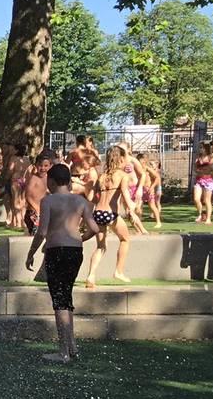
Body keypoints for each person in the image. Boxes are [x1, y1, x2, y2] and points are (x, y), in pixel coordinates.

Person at [25, 164, 100, 363]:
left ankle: (63, 352)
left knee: (59, 302)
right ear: (68, 181)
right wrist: (79, 239)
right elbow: (94, 229)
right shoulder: (80, 200)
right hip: (75, 252)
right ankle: (72, 345)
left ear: (50, 181)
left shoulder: (48, 200)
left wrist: (31, 253)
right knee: (66, 298)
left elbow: (41, 232)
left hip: (55, 251)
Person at [84, 146, 136, 288]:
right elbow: (125, 196)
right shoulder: (122, 176)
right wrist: (133, 207)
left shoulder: (101, 176)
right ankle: (119, 271)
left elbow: (91, 197)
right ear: (121, 159)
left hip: (98, 213)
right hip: (110, 214)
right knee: (125, 240)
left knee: (101, 247)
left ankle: (91, 275)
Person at [23, 152, 54, 236]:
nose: (43, 168)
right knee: (36, 235)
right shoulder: (33, 178)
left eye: (46, 166)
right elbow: (27, 195)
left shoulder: (49, 179)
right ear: (36, 165)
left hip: (44, 212)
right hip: (33, 212)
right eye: (40, 165)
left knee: (46, 234)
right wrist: (36, 209)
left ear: (51, 166)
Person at [193, 141, 213, 225]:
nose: (200, 149)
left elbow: (210, 169)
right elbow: (195, 169)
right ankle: (200, 214)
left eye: (202, 147)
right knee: (196, 199)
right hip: (199, 180)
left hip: (208, 181)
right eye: (200, 147)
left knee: (206, 200)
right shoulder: (198, 158)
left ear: (206, 148)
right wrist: (198, 170)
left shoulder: (211, 157)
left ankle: (208, 218)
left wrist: (202, 169)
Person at [142, 154, 163, 229]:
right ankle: (139, 222)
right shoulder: (142, 169)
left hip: (153, 189)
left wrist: (153, 188)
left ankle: (158, 219)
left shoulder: (151, 170)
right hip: (144, 189)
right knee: (139, 205)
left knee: (155, 204)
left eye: (152, 164)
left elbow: (157, 179)